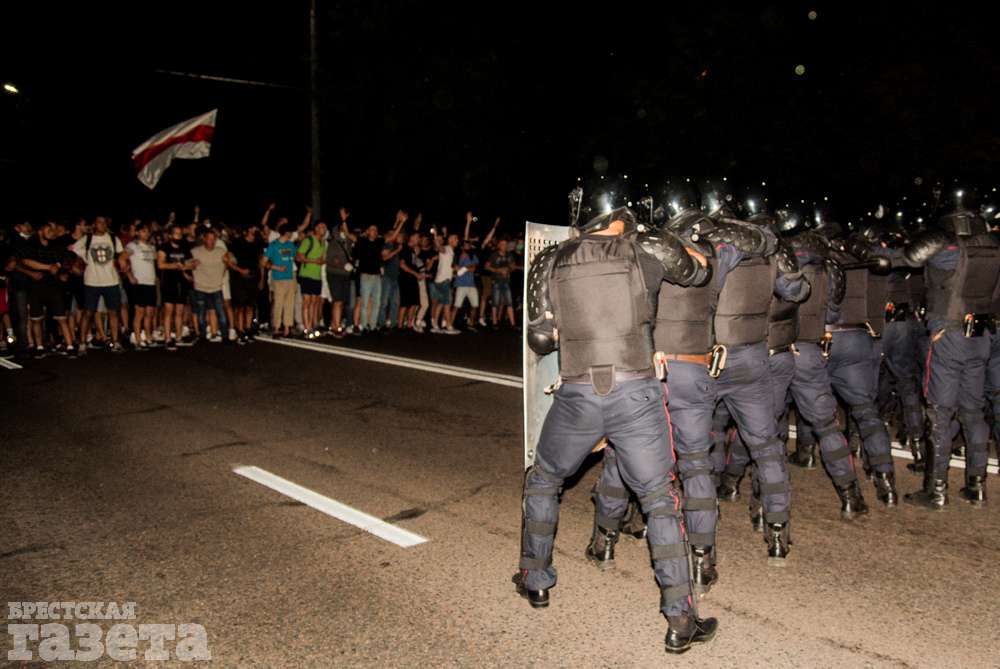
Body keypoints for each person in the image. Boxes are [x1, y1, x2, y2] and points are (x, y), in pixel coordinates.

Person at [518, 175, 717, 654]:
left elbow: (539, 339)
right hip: (635, 392)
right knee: (659, 499)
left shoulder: (551, 259)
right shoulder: (646, 248)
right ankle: (680, 620)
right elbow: (697, 275)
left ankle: (535, 579)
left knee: (543, 480)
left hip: (579, 392)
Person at [903, 184, 1000, 509]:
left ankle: (936, 489)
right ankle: (976, 485)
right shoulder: (992, 243)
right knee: (973, 412)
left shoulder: (948, 245)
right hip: (980, 336)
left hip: (949, 336)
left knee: (940, 414)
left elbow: (912, 257)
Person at [19, 221, 77, 357]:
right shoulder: (31, 244)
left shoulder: (55, 245)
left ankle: (69, 346)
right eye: (49, 229)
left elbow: (67, 258)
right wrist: (48, 267)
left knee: (61, 317)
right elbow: (26, 261)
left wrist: (61, 268)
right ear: (41, 230)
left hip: (53, 286)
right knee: (36, 319)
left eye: (54, 229)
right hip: (35, 286)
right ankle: (39, 347)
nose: (52, 232)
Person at [71, 216, 128, 353]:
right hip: (92, 281)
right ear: (94, 224)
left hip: (111, 280)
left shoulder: (113, 238)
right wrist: (80, 260)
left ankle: (115, 342)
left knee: (113, 312)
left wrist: (122, 260)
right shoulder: (87, 239)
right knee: (88, 312)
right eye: (99, 222)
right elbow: (73, 249)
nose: (102, 224)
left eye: (104, 222)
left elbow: (122, 253)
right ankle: (82, 343)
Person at [190, 228, 232, 343]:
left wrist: (226, 264)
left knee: (221, 313)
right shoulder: (195, 251)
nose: (211, 242)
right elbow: (186, 264)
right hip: (201, 287)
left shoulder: (221, 251)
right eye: (209, 239)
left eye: (214, 239)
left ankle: (225, 336)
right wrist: (191, 267)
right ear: (204, 239)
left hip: (216, 287)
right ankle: (202, 336)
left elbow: (230, 264)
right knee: (201, 314)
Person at [157, 223, 195, 351]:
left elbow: (190, 263)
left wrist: (188, 268)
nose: (178, 236)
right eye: (176, 234)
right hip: (168, 282)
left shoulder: (184, 248)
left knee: (180, 311)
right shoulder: (164, 247)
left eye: (180, 234)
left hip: (182, 282)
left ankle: (178, 337)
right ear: (170, 235)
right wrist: (176, 266)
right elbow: (160, 264)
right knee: (169, 311)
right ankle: (168, 338)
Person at [124, 222, 158, 350]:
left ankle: (148, 337)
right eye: (143, 231)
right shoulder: (132, 246)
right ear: (137, 232)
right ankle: (137, 339)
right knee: (140, 312)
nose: (146, 234)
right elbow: (121, 259)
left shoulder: (151, 247)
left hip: (150, 283)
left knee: (150, 312)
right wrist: (129, 276)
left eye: (148, 231)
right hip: (139, 283)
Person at [228, 224, 264, 345]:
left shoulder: (258, 243)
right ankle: (240, 330)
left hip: (253, 277)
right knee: (240, 305)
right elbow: (228, 260)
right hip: (239, 277)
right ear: (248, 229)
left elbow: (261, 262)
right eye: (254, 227)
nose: (256, 230)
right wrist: (240, 270)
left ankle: (248, 329)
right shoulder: (238, 242)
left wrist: (262, 278)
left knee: (250, 305)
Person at [325, 207, 355, 337]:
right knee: (337, 300)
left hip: (345, 275)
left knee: (341, 301)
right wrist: (343, 265)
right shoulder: (333, 242)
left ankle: (334, 324)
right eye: (342, 226)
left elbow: (352, 238)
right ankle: (336, 328)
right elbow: (330, 260)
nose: (344, 228)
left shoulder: (348, 242)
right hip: (334, 274)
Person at [265, 223, 298, 338]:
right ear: (286, 233)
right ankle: (276, 328)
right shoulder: (273, 245)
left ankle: (287, 329)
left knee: (290, 303)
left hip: (290, 277)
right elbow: (263, 261)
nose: (292, 234)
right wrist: (276, 267)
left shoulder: (291, 245)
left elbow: (295, 257)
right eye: (290, 232)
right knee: (278, 303)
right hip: (278, 277)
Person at [349, 224, 385, 333]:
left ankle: (372, 326)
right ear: (368, 231)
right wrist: (344, 221)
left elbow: (392, 237)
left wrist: (401, 223)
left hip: (377, 276)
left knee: (376, 302)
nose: (374, 231)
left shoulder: (379, 242)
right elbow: (349, 235)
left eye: (376, 229)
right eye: (372, 229)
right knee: (364, 302)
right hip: (365, 275)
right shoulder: (362, 241)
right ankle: (364, 326)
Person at [296, 220, 328, 339]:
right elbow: (299, 257)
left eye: (324, 227)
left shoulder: (323, 242)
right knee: (307, 301)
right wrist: (314, 261)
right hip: (306, 274)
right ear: (316, 228)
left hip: (317, 276)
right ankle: (307, 328)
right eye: (321, 226)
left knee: (315, 302)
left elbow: (323, 259)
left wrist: (322, 261)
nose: (323, 229)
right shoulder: (308, 240)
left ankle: (312, 326)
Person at [486, 239, 519, 329]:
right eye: (503, 244)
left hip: (506, 281)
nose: (504, 246)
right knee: (495, 302)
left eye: (506, 244)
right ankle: (494, 322)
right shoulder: (494, 255)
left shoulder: (509, 255)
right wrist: (497, 270)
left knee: (509, 302)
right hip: (496, 281)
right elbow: (487, 266)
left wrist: (508, 270)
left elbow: (513, 267)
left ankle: (513, 324)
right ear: (499, 245)